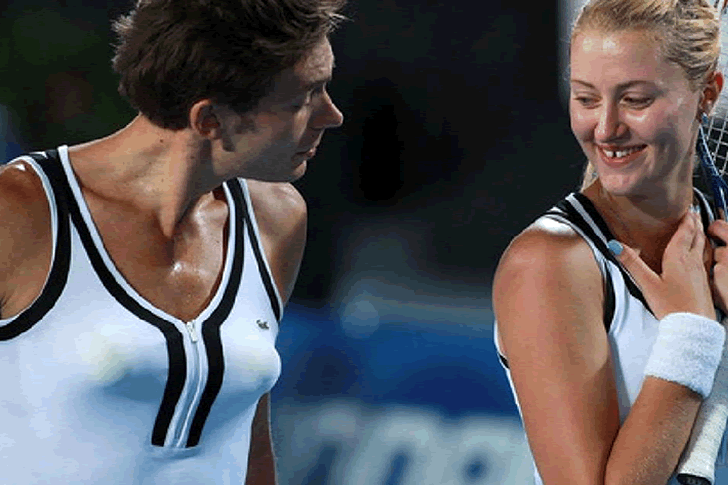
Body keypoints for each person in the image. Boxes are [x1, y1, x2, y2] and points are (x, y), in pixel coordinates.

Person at [0, 0, 345, 483]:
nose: (332, 115)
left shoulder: (278, 218)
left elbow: (249, 442)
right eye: (302, 99)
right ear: (209, 120)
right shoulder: (17, 213)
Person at [492, 0, 728, 483]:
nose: (606, 128)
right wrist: (692, 331)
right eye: (586, 98)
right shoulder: (548, 263)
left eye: (635, 100)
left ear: (707, 93)